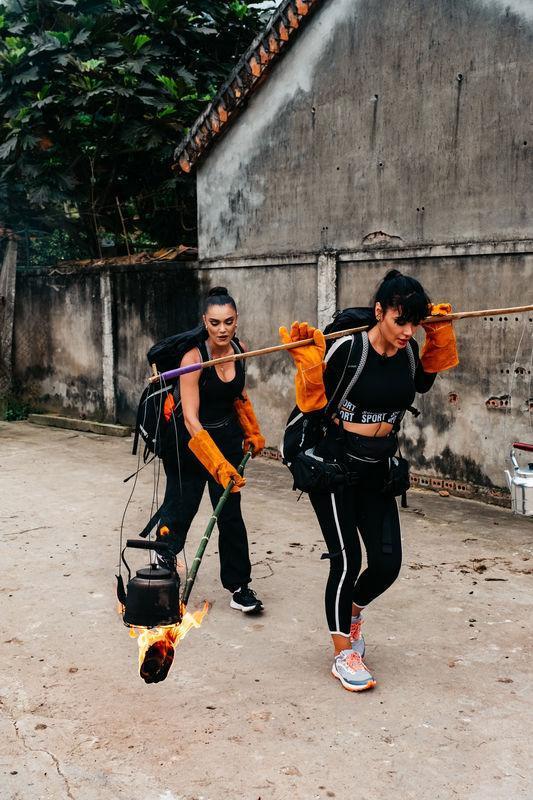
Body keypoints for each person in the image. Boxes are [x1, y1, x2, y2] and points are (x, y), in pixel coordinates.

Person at [279, 269, 459, 691]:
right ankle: (343, 651)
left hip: (377, 466)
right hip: (335, 465)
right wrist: (309, 364)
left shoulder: (408, 351)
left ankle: (352, 613)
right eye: (401, 320)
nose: (408, 331)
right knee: (346, 560)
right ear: (379, 312)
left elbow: (422, 382)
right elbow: (312, 404)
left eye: (415, 322)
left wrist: (437, 340)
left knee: (386, 564)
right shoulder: (349, 349)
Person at [157, 286, 266, 613]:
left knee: (230, 514)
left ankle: (239, 586)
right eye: (215, 322)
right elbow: (191, 419)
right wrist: (216, 464)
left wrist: (252, 430)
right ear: (205, 321)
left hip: (227, 438)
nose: (222, 329)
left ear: (236, 321)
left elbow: (238, 396)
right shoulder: (192, 359)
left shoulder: (239, 349)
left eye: (228, 322)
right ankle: (164, 568)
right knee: (181, 508)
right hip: (190, 445)